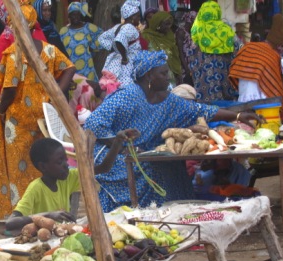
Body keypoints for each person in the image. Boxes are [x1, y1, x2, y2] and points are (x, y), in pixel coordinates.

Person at [83, 50, 263, 211]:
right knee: (152, 166)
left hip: (146, 152)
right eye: (163, 73)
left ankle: (175, 215)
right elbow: (93, 123)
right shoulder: (127, 96)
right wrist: (120, 145)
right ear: (149, 76)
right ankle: (146, 214)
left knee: (173, 164)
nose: (168, 76)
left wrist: (238, 116)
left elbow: (201, 111)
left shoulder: (169, 101)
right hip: (115, 155)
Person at [0, 2, 76, 220]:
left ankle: (21, 218)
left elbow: (9, 91)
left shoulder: (13, 54)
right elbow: (70, 67)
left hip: (19, 123)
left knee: (21, 169)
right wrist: (56, 94)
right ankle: (47, 212)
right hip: (44, 118)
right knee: (45, 165)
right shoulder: (49, 49)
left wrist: (0, 109)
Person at [0, 0, 47, 214]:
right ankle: (42, 208)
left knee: (16, 164)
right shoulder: (40, 38)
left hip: (14, 115)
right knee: (38, 161)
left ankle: (17, 212)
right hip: (40, 112)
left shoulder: (7, 41)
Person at [6, 130, 139, 233]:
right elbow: (10, 223)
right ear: (43, 167)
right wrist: (46, 215)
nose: (66, 165)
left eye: (66, 160)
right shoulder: (35, 188)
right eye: (60, 161)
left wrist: (117, 141)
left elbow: (104, 168)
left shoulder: (67, 178)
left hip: (59, 235)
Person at [229, 14, 283, 106]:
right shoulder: (272, 57)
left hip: (242, 104)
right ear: (280, 46)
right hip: (265, 107)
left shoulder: (247, 48)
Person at [189, 1, 239, 102]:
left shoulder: (197, 30)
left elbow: (192, 56)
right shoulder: (227, 30)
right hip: (225, 76)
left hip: (205, 79)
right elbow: (238, 50)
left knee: (207, 109)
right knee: (228, 108)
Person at [98, 0, 143, 88]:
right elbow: (119, 40)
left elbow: (101, 38)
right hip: (127, 64)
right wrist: (124, 57)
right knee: (127, 86)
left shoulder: (117, 27)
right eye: (138, 16)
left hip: (115, 63)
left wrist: (113, 48)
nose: (139, 18)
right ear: (132, 17)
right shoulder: (129, 27)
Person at [59, 2, 102, 80]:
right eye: (73, 14)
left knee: (89, 90)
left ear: (81, 15)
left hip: (87, 69)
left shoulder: (88, 27)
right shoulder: (63, 31)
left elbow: (102, 36)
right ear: (69, 16)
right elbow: (60, 51)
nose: (76, 17)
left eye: (78, 14)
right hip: (71, 70)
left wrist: (93, 47)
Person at [142, 11, 182, 85]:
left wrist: (178, 72)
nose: (168, 27)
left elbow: (175, 56)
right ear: (158, 24)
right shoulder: (146, 37)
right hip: (154, 75)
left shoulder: (169, 36)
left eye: (170, 24)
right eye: (166, 24)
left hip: (170, 75)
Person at [175, 11, 197, 86]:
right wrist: (186, 68)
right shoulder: (181, 32)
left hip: (192, 64)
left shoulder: (193, 31)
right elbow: (180, 52)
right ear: (189, 20)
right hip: (185, 65)